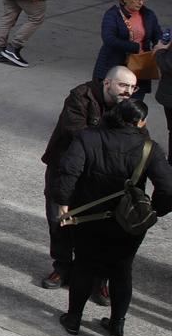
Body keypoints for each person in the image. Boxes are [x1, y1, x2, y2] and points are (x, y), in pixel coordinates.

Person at [53, 99, 172, 336]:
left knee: (84, 265)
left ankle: (74, 319)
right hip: (129, 223)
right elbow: (168, 188)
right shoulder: (149, 148)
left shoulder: (88, 137)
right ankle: (117, 325)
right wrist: (154, 211)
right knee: (122, 271)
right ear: (140, 122)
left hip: (88, 217)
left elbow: (68, 170)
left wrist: (62, 201)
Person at [40, 68, 137, 291]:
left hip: (102, 175)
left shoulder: (129, 106)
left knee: (100, 227)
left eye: (132, 87)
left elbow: (137, 138)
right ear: (107, 83)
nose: (128, 92)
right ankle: (63, 267)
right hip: (65, 169)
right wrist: (114, 141)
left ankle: (98, 277)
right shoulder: (80, 97)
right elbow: (76, 132)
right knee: (59, 220)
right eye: (123, 86)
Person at [95, 0, 164, 83]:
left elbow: (157, 35)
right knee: (113, 95)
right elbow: (108, 39)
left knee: (136, 97)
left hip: (139, 65)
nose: (141, 3)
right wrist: (134, 47)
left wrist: (159, 47)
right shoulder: (113, 15)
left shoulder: (148, 15)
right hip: (113, 64)